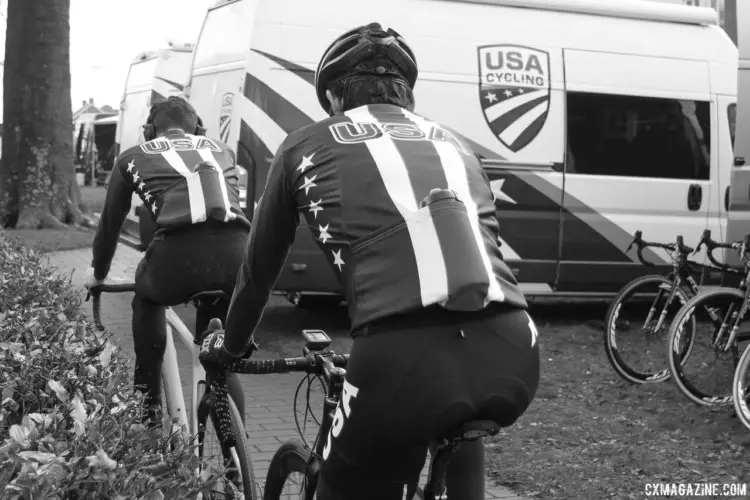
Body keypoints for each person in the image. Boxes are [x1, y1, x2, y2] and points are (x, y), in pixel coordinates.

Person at [199, 23, 540, 499]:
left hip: (402, 360)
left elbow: (257, 277)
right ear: (407, 97)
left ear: (335, 98)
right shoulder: (461, 146)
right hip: (514, 347)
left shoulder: (302, 145)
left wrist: (229, 349)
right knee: (458, 415)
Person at [84, 96, 251, 427]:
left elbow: (109, 229)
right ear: (199, 128)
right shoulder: (221, 149)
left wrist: (98, 274)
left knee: (146, 299)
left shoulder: (131, 157)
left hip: (175, 263)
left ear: (149, 131)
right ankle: (236, 467)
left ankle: (148, 413)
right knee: (218, 355)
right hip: (238, 257)